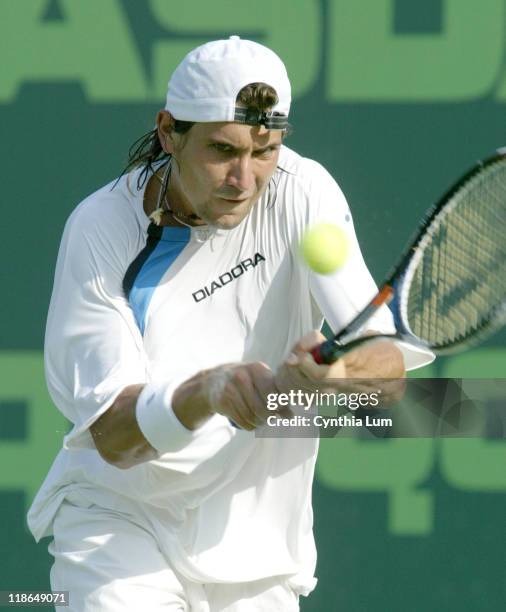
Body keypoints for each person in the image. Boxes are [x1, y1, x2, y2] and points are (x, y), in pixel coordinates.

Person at [28, 36, 433, 611]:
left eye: (264, 150)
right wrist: (209, 391)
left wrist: (332, 372)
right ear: (170, 132)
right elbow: (114, 437)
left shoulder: (303, 191)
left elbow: (389, 374)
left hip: (257, 549)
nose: (244, 179)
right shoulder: (101, 229)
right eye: (222, 149)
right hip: (119, 527)